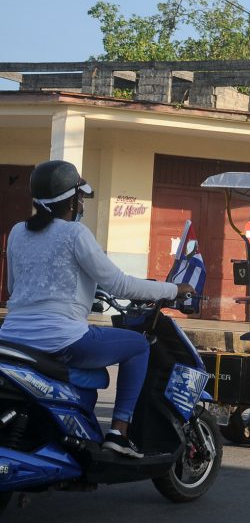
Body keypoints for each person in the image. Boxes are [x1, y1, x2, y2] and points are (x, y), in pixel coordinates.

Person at [0, 160, 194, 458]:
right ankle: (119, 432)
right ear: (72, 199)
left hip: (13, 338)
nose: (81, 203)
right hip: (61, 339)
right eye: (80, 196)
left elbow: (16, 288)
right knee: (139, 346)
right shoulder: (75, 234)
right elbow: (121, 285)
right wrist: (173, 289)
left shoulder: (16, 232)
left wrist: (79, 296)